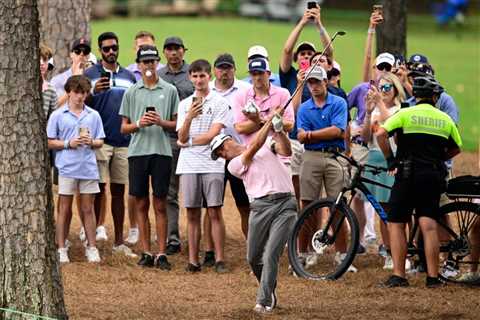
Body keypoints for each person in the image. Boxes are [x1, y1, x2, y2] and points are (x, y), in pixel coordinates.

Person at [376, 76, 462, 288]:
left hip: (406, 174)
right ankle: (433, 277)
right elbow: (457, 148)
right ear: (434, 97)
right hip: (432, 176)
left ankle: (399, 275)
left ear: (415, 96)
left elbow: (381, 134)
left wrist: (390, 160)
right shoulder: (444, 119)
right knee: (428, 224)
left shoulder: (405, 113)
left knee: (396, 223)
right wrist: (437, 159)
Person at [210, 117, 297, 314]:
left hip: (285, 203)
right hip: (260, 207)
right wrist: (268, 121)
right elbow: (255, 145)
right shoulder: (233, 166)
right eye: (219, 155)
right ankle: (268, 289)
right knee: (253, 257)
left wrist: (280, 130)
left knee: (271, 254)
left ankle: (264, 300)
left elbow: (286, 150)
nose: (223, 155)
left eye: (221, 150)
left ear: (229, 141)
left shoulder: (268, 143)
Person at [119, 45, 179, 269]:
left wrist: (160, 122)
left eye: (153, 61)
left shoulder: (169, 89)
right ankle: (146, 251)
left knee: (160, 203)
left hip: (161, 152)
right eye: (145, 62)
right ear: (138, 64)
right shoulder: (132, 92)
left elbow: (176, 124)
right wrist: (139, 124)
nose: (149, 66)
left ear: (157, 62)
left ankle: (161, 253)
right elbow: (123, 128)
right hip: (138, 152)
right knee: (141, 202)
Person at [84, 32, 137, 257]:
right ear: (100, 51)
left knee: (119, 190)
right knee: (98, 189)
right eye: (106, 49)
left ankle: (118, 241)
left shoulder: (128, 76)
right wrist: (93, 93)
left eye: (114, 47)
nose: (111, 52)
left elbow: (134, 106)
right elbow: (82, 104)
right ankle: (93, 237)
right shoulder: (90, 74)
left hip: (123, 141)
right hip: (100, 140)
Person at [296, 66, 354, 272]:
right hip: (311, 157)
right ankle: (303, 254)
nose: (313, 86)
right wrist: (318, 134)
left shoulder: (338, 102)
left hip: (334, 156)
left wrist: (311, 135)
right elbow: (300, 133)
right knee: (307, 205)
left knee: (337, 206)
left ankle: (342, 255)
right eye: (310, 82)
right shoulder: (303, 107)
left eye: (317, 82)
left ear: (325, 82)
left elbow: (338, 131)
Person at [176, 59, 230, 273]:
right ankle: (193, 260)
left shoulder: (219, 102)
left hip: (212, 162)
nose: (199, 80)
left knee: (215, 210)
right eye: (195, 76)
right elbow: (180, 134)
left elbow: (212, 135)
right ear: (190, 78)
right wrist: (189, 117)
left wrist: (188, 142)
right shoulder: (183, 105)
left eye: (202, 76)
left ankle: (219, 259)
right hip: (188, 164)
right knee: (191, 213)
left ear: (210, 77)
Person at [47, 75, 105, 263]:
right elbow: (49, 141)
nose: (80, 97)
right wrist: (67, 143)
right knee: (64, 208)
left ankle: (92, 246)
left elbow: (100, 141)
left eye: (84, 93)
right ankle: (61, 247)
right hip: (66, 167)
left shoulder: (93, 115)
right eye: (77, 92)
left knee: (88, 208)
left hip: (88, 168)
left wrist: (92, 142)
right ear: (69, 93)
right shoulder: (57, 115)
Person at [361, 73, 407, 270]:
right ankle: (388, 251)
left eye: (388, 87)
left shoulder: (400, 109)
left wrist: (380, 104)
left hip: (392, 160)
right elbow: (365, 137)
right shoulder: (375, 111)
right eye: (381, 88)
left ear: (396, 89)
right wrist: (367, 112)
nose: (384, 91)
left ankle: (402, 252)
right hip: (375, 160)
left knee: (395, 209)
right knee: (381, 210)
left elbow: (392, 128)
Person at [158, 36, 195, 255]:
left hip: (192, 140)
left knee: (194, 192)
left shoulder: (193, 73)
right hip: (168, 139)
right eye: (169, 49)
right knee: (170, 192)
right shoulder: (159, 75)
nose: (173, 53)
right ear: (165, 52)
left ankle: (197, 238)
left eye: (177, 49)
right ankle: (173, 238)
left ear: (183, 50)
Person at [209, 53, 251, 242]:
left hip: (239, 154)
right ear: (214, 70)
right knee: (212, 206)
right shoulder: (206, 89)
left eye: (228, 68)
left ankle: (253, 247)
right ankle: (211, 252)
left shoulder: (246, 89)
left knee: (245, 205)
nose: (224, 72)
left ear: (234, 69)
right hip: (214, 155)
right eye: (220, 68)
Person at [232, 58, 294, 146]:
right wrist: (272, 119)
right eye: (254, 74)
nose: (257, 78)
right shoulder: (241, 96)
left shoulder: (283, 94)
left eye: (261, 73)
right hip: (252, 152)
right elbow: (240, 128)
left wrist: (256, 120)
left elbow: (289, 125)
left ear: (269, 74)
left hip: (278, 151)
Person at [51, 38, 91, 107]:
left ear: (89, 56)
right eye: (77, 51)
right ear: (71, 54)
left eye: (85, 52)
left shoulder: (92, 77)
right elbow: (55, 106)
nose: (81, 54)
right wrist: (74, 80)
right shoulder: (58, 80)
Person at [40, 44, 57, 119]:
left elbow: (53, 117)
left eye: (44, 60)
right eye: (38, 59)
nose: (41, 63)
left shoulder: (51, 89)